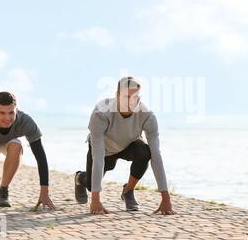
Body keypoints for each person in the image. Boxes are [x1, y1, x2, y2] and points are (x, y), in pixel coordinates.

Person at [75, 76, 176, 215]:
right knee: (92, 186)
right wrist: (96, 200)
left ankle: (128, 191)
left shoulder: (147, 116)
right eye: (126, 96)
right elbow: (98, 157)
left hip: (128, 145)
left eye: (135, 97)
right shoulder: (101, 111)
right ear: (116, 96)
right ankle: (80, 178)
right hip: (104, 149)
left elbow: (156, 156)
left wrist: (166, 197)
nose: (131, 101)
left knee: (145, 152)